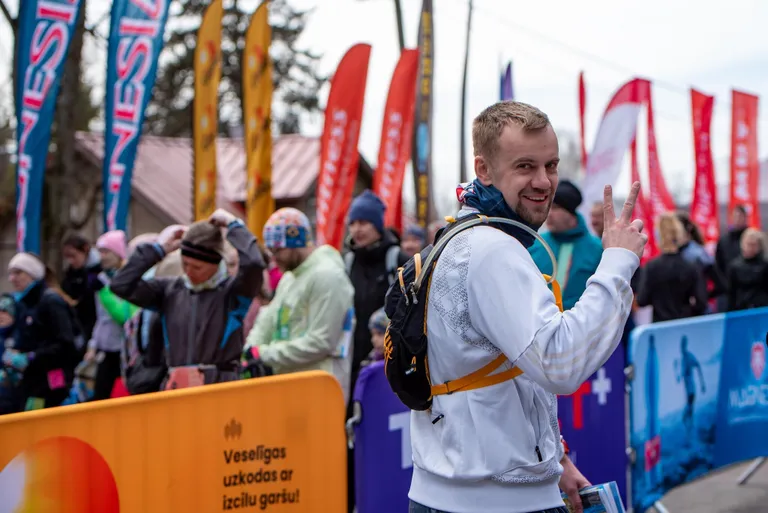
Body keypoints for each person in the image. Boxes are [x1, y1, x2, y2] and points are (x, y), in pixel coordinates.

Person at [408, 101, 647, 513]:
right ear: (483, 169)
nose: (544, 182)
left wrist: (558, 459)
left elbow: (506, 372)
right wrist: (617, 262)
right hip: (493, 502)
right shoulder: (491, 249)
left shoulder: (462, 234)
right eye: (525, 166)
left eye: (551, 165)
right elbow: (560, 363)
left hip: (464, 490)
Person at [110, 210, 265, 389]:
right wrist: (158, 249)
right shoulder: (169, 291)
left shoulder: (233, 293)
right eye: (185, 264)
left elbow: (253, 263)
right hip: (177, 388)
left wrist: (234, 226)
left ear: (216, 264)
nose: (189, 272)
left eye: (197, 267)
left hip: (220, 388)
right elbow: (121, 285)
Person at [242, 207, 355, 400]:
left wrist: (263, 354)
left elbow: (321, 342)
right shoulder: (290, 278)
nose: (274, 258)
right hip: (290, 387)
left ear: (297, 243)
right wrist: (250, 349)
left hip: (320, 391)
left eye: (278, 250)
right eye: (270, 251)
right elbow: (267, 320)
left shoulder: (328, 276)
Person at [344, 190, 408, 513]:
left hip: (387, 360)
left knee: (385, 430)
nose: (357, 229)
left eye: (364, 222)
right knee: (356, 431)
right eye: (353, 222)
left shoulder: (395, 258)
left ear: (378, 225)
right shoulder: (348, 261)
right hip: (355, 358)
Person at [4, 253, 79, 411]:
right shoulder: (24, 303)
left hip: (53, 378)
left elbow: (66, 344)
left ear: (32, 274)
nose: (12, 278)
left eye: (18, 273)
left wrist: (31, 357)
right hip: (34, 379)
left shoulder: (50, 302)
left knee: (47, 420)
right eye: (11, 273)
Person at [529, 180, 603, 310]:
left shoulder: (598, 249)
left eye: (555, 208)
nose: (549, 214)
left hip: (580, 326)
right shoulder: (534, 244)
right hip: (535, 324)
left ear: (571, 214)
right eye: (547, 206)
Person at [84, 230, 139, 401]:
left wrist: (104, 293)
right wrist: (93, 344)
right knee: (99, 397)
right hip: (106, 349)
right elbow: (101, 318)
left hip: (126, 350)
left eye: (106, 251)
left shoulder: (129, 278)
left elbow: (125, 316)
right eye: (100, 252)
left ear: (118, 253)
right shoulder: (101, 279)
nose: (102, 257)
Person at [637, 213, 708, 322]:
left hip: (660, 326)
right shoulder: (690, 266)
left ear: (659, 236)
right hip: (683, 326)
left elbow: (642, 300)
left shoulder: (651, 267)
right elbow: (701, 303)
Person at [61, 233, 102, 345]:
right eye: (67, 257)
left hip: (95, 327)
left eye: (73, 256)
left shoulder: (98, 273)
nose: (71, 261)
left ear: (85, 250)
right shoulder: (71, 274)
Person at [715, 205, 749, 310]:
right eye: (735, 216)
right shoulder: (724, 241)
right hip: (727, 291)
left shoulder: (752, 238)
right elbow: (718, 266)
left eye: (740, 216)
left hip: (748, 292)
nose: (738, 219)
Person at [726, 228, 768, 311]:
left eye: (754, 245)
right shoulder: (734, 266)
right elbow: (731, 293)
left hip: (762, 308)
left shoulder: (765, 265)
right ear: (742, 244)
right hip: (741, 309)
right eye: (749, 244)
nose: (751, 248)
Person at [675, 335, 705, 432]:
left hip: (691, 391)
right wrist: (675, 368)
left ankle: (690, 435)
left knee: (687, 415)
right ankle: (690, 435)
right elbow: (679, 379)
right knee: (687, 416)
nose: (681, 347)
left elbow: (698, 365)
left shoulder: (689, 356)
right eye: (681, 345)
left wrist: (702, 384)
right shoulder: (683, 360)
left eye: (683, 344)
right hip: (687, 392)